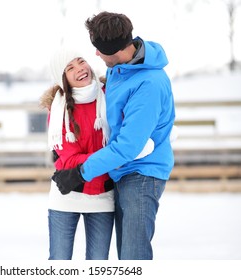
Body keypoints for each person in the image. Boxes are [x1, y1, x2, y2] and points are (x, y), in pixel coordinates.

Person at [52, 12, 176, 260]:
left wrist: (80, 172)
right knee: (124, 257)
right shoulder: (120, 70)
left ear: (114, 49)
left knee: (133, 258)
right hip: (122, 172)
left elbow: (126, 148)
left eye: (98, 49)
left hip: (141, 175)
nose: (95, 55)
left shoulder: (147, 84)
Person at [40, 48, 155, 260]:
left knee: (97, 264)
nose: (80, 69)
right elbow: (70, 159)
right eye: (70, 68)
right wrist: (114, 157)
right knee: (59, 261)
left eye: (80, 61)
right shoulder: (58, 110)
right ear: (62, 77)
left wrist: (118, 153)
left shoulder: (111, 96)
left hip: (103, 196)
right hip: (67, 193)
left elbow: (129, 132)